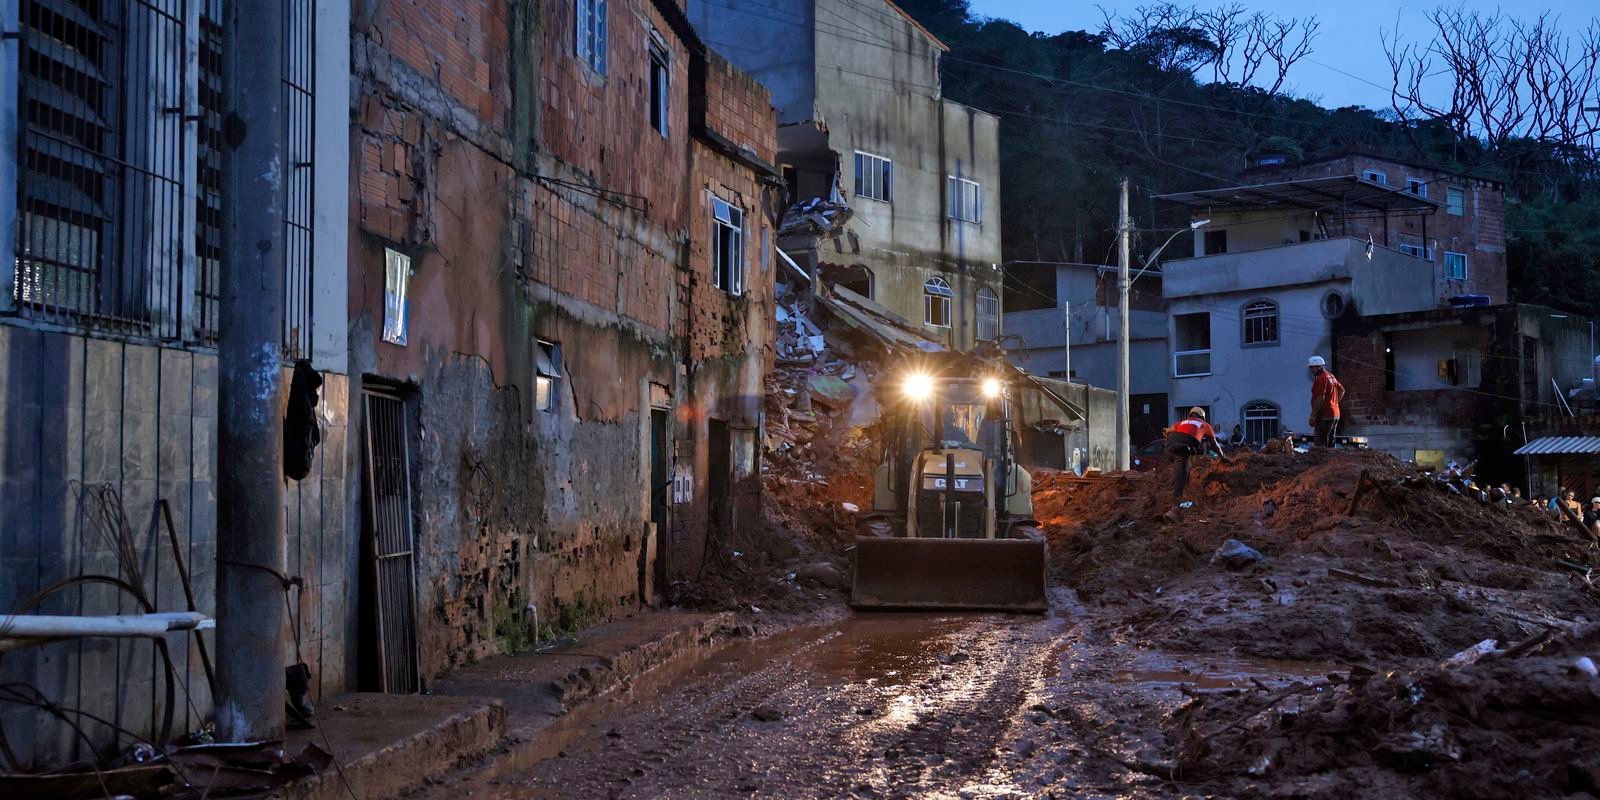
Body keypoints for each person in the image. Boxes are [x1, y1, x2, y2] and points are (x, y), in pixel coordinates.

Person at [1165, 407, 1230, 502]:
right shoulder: (1205, 425)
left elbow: (1167, 430)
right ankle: (1175, 509)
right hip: (1182, 449)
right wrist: (1222, 456)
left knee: (1184, 469)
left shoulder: (1182, 422)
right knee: (1181, 481)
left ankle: (1179, 487)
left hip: (1168, 449)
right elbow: (1214, 444)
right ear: (1203, 417)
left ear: (1190, 415)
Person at [1306, 356, 1344, 448]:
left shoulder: (1321, 378)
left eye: (1312, 368)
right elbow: (1342, 390)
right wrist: (1334, 403)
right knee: (1330, 443)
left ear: (1319, 367)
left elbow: (1320, 398)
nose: (1311, 370)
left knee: (1321, 445)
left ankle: (1322, 462)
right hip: (1334, 414)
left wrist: (1313, 415)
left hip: (1324, 416)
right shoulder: (1331, 376)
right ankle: (1331, 461)